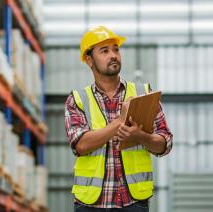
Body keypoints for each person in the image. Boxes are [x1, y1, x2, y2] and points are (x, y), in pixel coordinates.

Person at [64, 26, 173, 212]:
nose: (113, 55)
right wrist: (120, 122)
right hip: (90, 204)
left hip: (133, 202)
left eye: (116, 49)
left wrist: (141, 136)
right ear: (89, 60)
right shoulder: (78, 100)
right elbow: (80, 145)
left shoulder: (143, 94)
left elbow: (165, 144)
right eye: (104, 51)